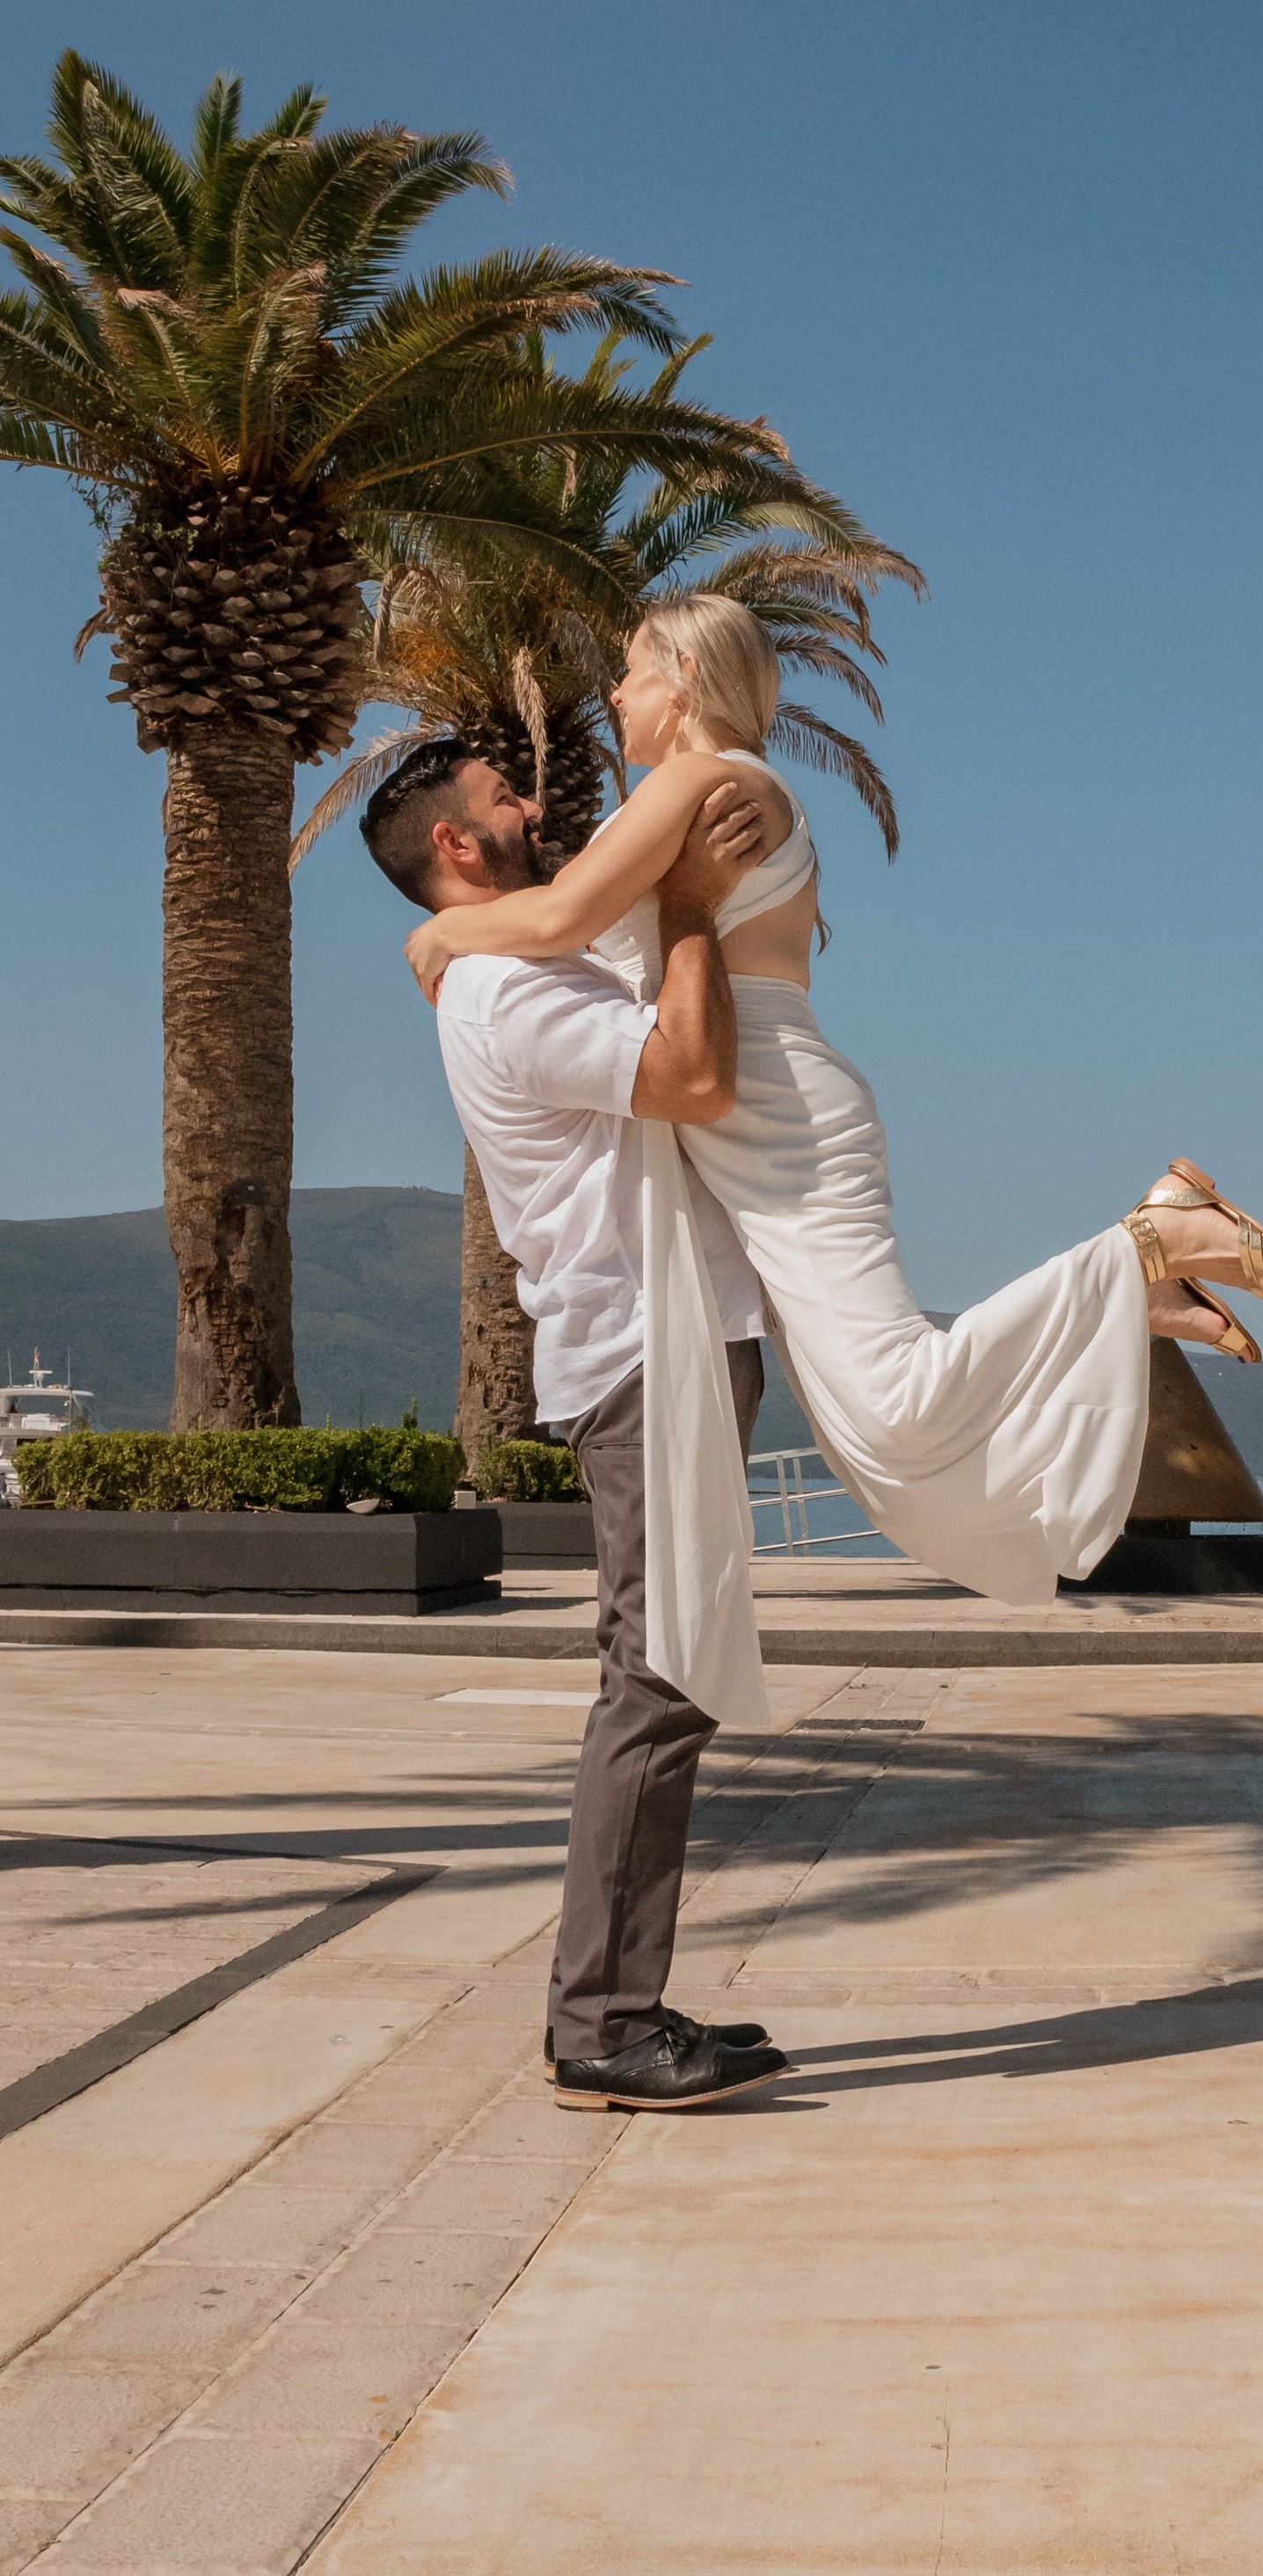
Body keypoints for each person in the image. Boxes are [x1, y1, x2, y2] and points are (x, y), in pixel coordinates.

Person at [400, 593, 1263, 1614]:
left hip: (777, 1115)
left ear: (686, 678)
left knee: (894, 1404)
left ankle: (1149, 1241)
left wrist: (441, 936)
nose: (616, 692)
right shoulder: (700, 790)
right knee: (869, 1429)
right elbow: (585, 919)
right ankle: (1127, 1295)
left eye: (632, 669)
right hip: (762, 1115)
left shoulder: (703, 779)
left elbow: (566, 916)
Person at [361, 737, 794, 2117]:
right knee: (659, 1673)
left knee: (672, 1668)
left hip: (682, 1336)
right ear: (459, 848)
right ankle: (600, 2018)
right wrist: (679, 911)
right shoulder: (500, 988)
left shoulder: (510, 950)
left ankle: (618, 2001)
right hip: (642, 1352)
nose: (537, 807)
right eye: (506, 800)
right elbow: (690, 1077)